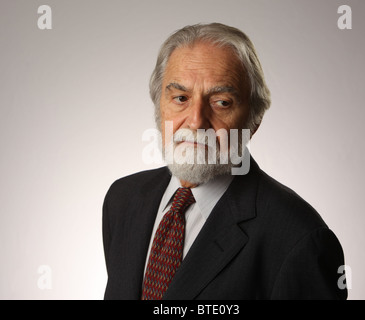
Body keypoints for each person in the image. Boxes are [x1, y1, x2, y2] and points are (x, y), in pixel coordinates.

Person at [102, 23, 347, 300]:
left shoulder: (299, 239)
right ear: (159, 105)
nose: (196, 121)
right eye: (180, 98)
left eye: (221, 102)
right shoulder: (123, 200)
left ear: (254, 119)